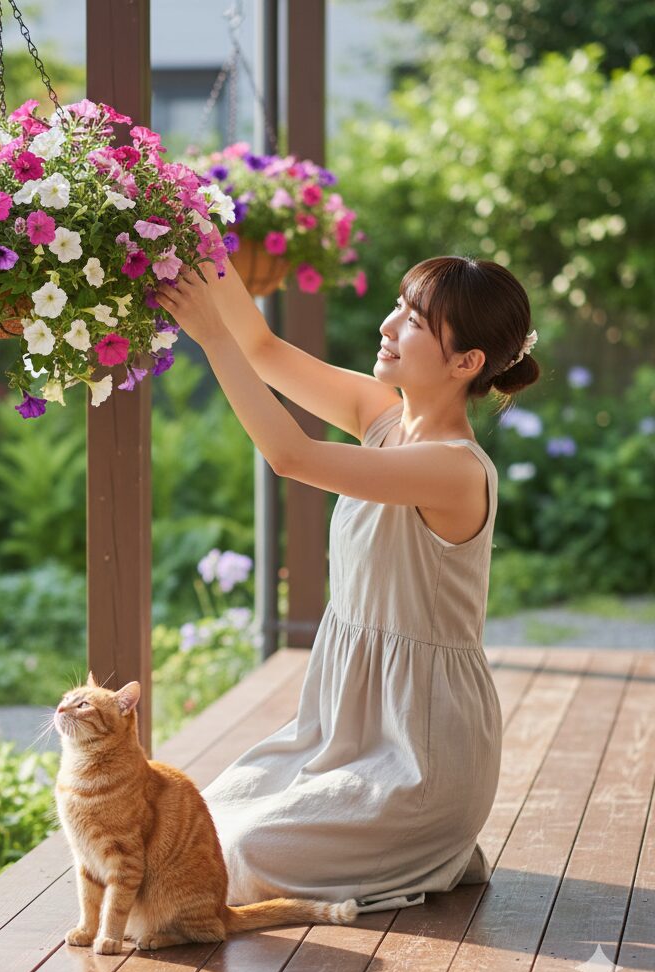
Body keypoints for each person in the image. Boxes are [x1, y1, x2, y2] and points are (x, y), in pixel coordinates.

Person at [154, 254, 540, 913]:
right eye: (399, 305)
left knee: (240, 853)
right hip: (339, 735)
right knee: (193, 825)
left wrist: (207, 337)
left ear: (466, 363)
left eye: (414, 320)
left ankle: (427, 840)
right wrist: (195, 232)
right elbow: (262, 347)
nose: (389, 324)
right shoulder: (381, 417)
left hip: (419, 759)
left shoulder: (454, 471)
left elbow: (290, 455)